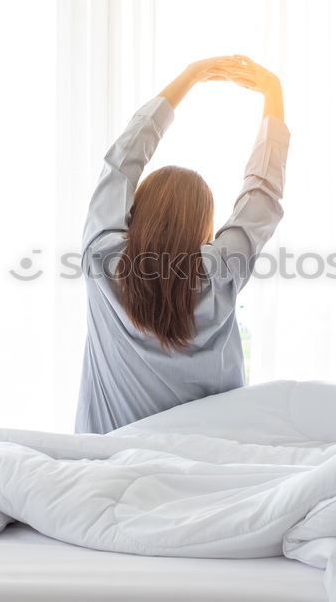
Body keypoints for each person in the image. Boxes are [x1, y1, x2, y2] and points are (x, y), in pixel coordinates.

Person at [75, 55, 290, 434]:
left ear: (135, 213)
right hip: (212, 467)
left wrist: (189, 78)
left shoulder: (104, 260)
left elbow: (120, 165)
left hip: (103, 465)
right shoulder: (221, 269)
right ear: (203, 226)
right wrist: (273, 95)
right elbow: (263, 192)